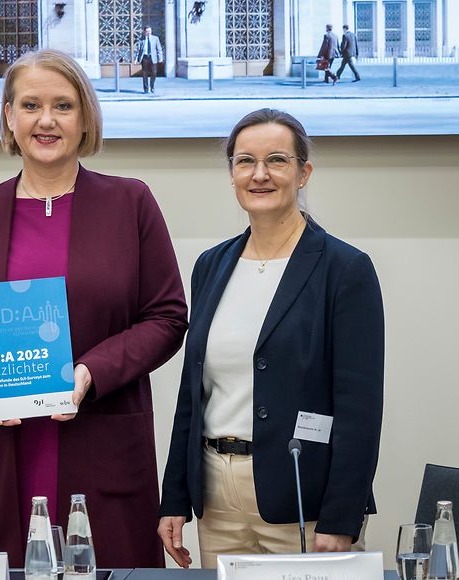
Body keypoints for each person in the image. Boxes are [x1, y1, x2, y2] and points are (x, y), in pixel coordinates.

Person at [0, 48, 188, 568]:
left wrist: (89, 372)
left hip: (101, 443)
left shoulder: (130, 203)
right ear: (9, 116)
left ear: (85, 117)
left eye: (63, 106)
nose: (46, 120)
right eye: (31, 105)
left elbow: (167, 316)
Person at [158, 108, 384, 568]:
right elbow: (193, 393)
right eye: (245, 161)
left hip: (303, 498)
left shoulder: (345, 269)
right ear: (232, 174)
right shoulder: (211, 264)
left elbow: (360, 409)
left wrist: (342, 519)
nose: (259, 174)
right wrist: (174, 498)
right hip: (217, 498)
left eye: (277, 160)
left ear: (304, 173)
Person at [134, 26, 163, 94]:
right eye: (147, 31)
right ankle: (146, 89)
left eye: (150, 31)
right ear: (144, 32)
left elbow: (159, 49)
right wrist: (135, 59)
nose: (149, 33)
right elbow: (138, 50)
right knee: (145, 74)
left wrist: (160, 58)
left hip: (153, 58)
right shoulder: (141, 39)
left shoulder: (155, 38)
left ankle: (152, 86)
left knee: (154, 72)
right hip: (144, 58)